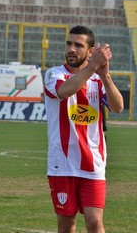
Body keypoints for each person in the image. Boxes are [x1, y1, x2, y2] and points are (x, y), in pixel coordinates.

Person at [44, 25, 123, 233]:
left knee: (95, 222)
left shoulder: (98, 80)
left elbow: (118, 107)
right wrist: (92, 67)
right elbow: (64, 91)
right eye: (69, 43)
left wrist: (105, 75)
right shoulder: (54, 75)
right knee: (66, 225)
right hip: (62, 165)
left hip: (93, 165)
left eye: (78, 45)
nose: (71, 49)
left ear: (89, 52)